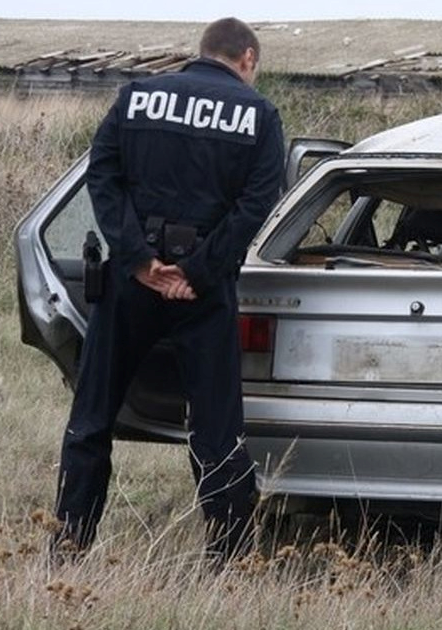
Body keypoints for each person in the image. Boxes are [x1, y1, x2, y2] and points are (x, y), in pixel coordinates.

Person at [51, 17, 285, 563]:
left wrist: (138, 261)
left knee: (91, 421)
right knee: (217, 430)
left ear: (199, 52)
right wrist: (198, 272)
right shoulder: (259, 115)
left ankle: (66, 547)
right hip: (203, 292)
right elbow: (257, 203)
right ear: (247, 58)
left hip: (130, 285)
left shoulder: (137, 98)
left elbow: (102, 178)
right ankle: (229, 559)